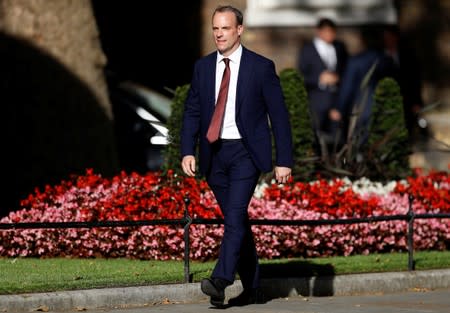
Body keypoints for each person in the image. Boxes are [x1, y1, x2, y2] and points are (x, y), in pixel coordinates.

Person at [180, 5, 293, 308]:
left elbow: (279, 117)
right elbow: (192, 111)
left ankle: (220, 280)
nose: (219, 34)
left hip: (246, 153)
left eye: (225, 28)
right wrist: (188, 150)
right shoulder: (203, 67)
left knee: (233, 217)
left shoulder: (261, 67)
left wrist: (284, 160)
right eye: (215, 28)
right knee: (237, 219)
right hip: (214, 154)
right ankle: (254, 287)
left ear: (239, 30)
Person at [329, 28, 395, 147]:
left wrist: (339, 107)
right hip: (384, 109)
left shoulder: (356, 61)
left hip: (360, 110)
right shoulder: (387, 60)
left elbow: (347, 87)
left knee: (359, 146)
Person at [298, 17, 348, 153]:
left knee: (338, 140)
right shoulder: (307, 50)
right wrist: (320, 79)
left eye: (332, 32)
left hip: (335, 101)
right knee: (316, 139)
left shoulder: (340, 47)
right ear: (319, 32)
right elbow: (302, 75)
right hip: (316, 102)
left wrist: (337, 79)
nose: (330, 35)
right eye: (326, 32)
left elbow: (346, 72)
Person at [382, 25, 426, 143]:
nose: (388, 40)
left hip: (406, 103)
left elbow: (415, 80)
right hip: (385, 106)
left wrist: (417, 102)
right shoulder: (378, 57)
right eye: (385, 37)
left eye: (390, 37)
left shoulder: (408, 56)